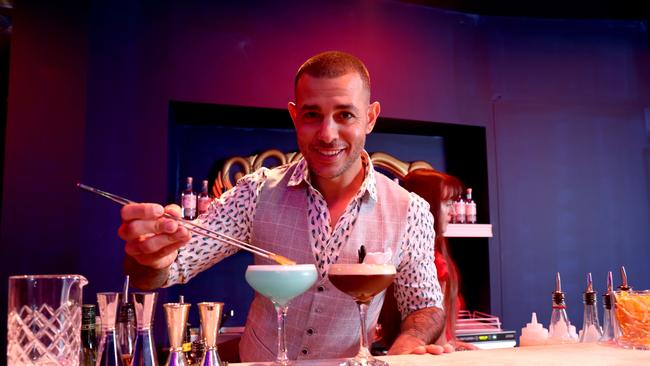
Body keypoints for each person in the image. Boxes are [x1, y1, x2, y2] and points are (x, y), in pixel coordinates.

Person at [118, 51, 445, 361]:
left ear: (370, 117)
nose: (327, 134)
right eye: (312, 115)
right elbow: (164, 271)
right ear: (294, 115)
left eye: (345, 114)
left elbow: (425, 306)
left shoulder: (409, 210)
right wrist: (150, 256)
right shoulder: (255, 192)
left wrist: (410, 344)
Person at [378, 169, 478, 353]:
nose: (453, 211)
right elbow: (432, 317)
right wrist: (446, 347)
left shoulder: (429, 254)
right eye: (447, 204)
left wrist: (451, 343)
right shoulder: (434, 261)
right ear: (429, 204)